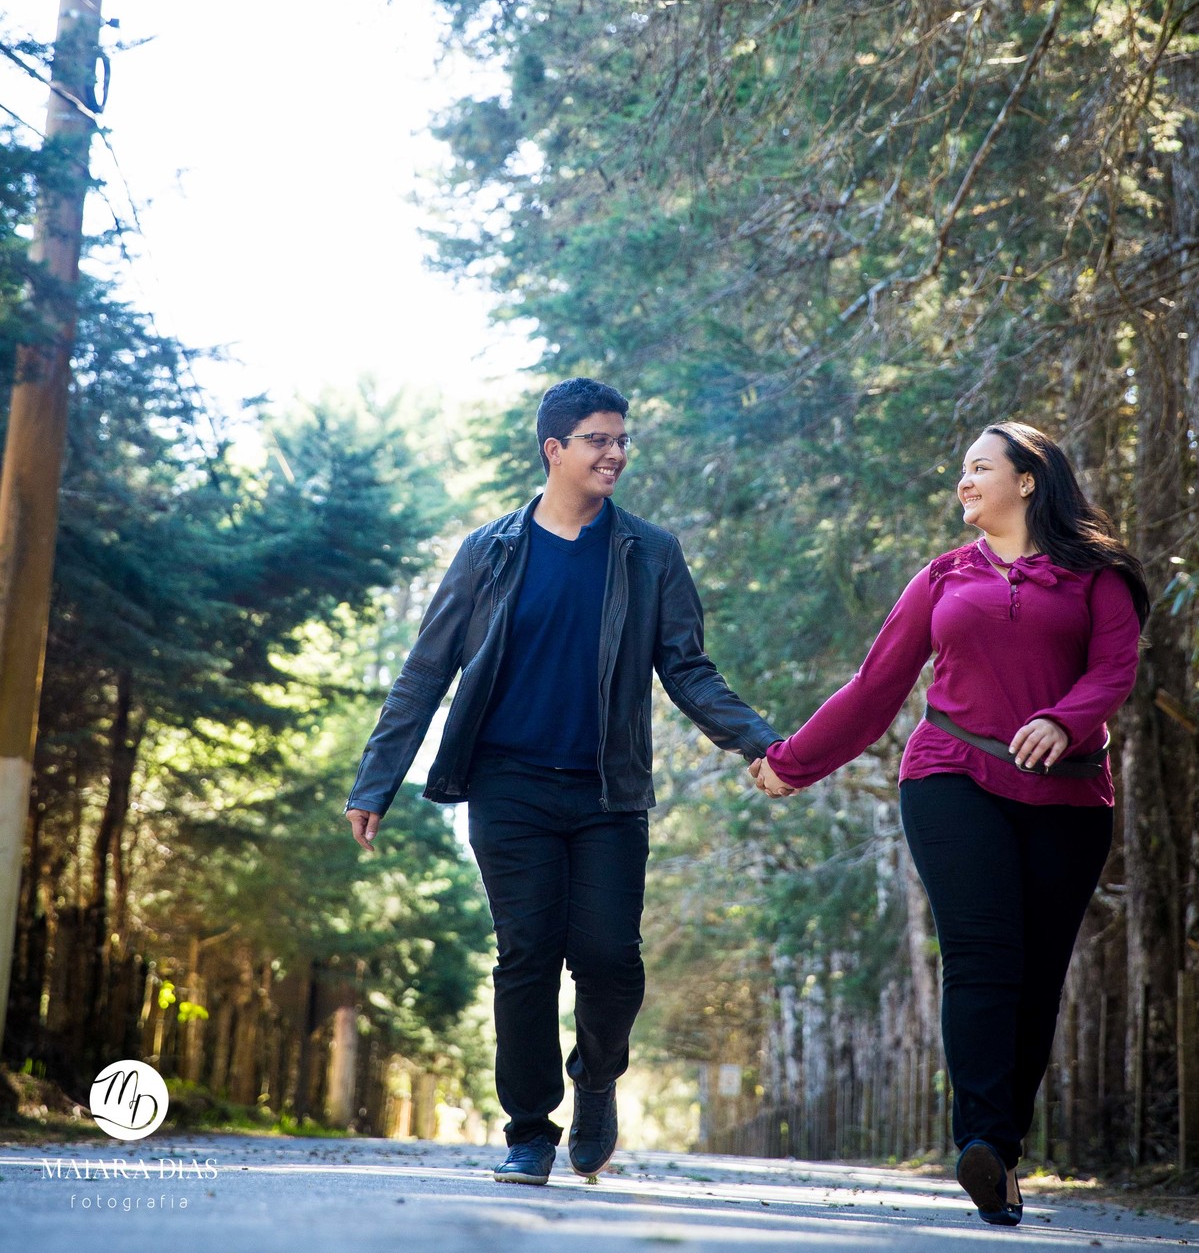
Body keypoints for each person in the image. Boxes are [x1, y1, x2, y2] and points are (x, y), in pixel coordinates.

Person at [345, 377, 781, 1184]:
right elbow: (427, 667)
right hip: (506, 782)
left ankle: (598, 1075)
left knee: (610, 958)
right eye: (598, 440)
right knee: (526, 956)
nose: (616, 453)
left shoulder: (648, 552)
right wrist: (377, 779)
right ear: (554, 449)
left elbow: (687, 667)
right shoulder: (491, 550)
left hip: (607, 789)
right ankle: (527, 1131)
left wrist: (757, 741)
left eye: (622, 439)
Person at [751, 422, 1148, 1227]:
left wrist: (1066, 722)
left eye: (978, 468)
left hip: (1067, 796)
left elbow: (1114, 668)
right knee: (980, 954)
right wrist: (792, 761)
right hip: (950, 776)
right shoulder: (941, 578)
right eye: (960, 470)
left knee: (1036, 976)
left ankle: (1000, 1155)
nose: (962, 483)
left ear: (1028, 480)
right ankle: (978, 1143)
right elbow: (873, 688)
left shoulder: (1096, 577)